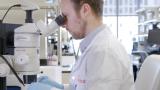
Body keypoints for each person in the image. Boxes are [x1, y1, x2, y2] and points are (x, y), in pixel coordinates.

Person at [28, 0, 135, 90]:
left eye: (66, 16)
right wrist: (63, 87)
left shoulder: (104, 51)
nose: (63, 24)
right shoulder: (94, 46)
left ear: (85, 10)